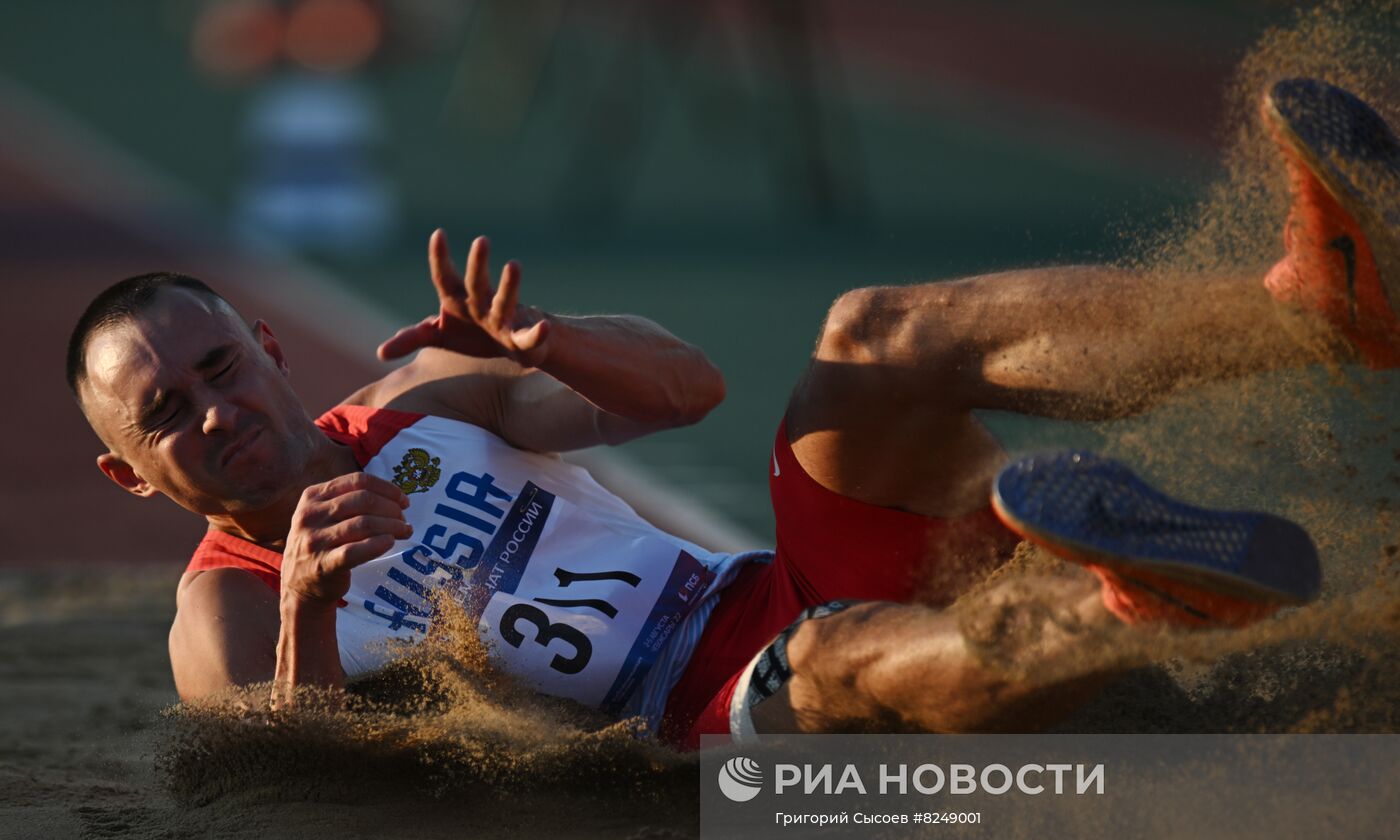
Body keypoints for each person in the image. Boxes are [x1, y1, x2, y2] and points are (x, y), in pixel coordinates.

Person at [65, 78, 1393, 748]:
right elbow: (283, 799)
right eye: (166, 414)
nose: (212, 413)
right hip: (711, 741)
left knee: (872, 334)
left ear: (268, 346)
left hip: (773, 584)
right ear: (132, 473)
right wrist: (303, 604)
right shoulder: (225, 611)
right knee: (836, 659)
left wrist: (549, 344)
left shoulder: (418, 403)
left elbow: (686, 389)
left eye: (218, 371)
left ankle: (1312, 311)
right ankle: (1115, 601)